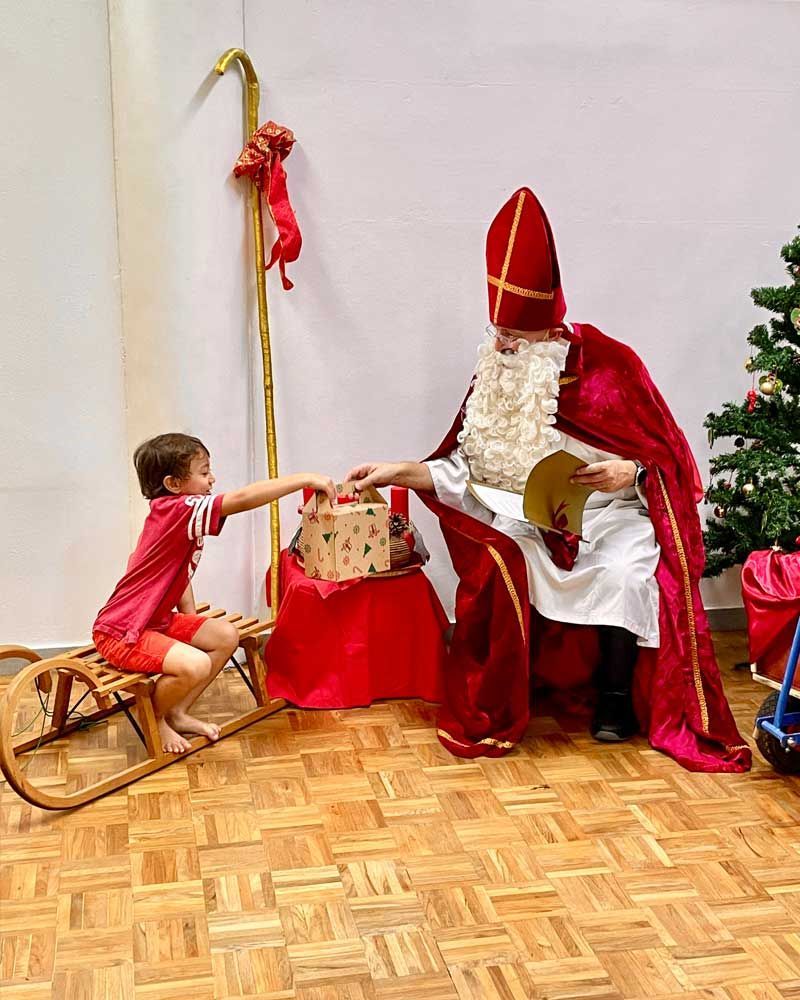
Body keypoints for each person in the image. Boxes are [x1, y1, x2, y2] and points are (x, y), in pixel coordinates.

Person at [348, 186, 750, 772]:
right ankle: (516, 686)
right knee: (505, 560)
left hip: (614, 516)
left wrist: (630, 472)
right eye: (500, 335)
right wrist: (402, 471)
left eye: (520, 338)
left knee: (624, 571)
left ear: (549, 329)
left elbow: (670, 461)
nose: (507, 347)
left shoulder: (611, 366)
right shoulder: (498, 373)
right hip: (534, 518)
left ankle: (614, 699)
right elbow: (465, 465)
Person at [93, 432, 335, 754]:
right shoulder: (180, 509)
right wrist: (304, 478)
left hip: (156, 622)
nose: (212, 479)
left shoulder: (169, 513)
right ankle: (156, 716)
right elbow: (242, 498)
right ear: (174, 484)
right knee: (196, 665)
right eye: (204, 472)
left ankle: (178, 711)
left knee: (225, 636)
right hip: (123, 630)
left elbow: (171, 570)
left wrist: (190, 620)